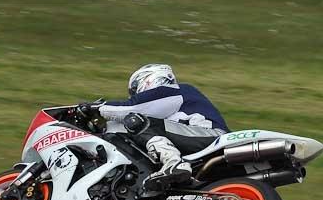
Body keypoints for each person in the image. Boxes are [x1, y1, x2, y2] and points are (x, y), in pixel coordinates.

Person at [98, 64, 229, 188]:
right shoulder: (172, 103)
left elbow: (131, 107)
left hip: (211, 136)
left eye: (135, 89)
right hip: (201, 140)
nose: (135, 94)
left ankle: (174, 163)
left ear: (148, 79)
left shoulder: (177, 90)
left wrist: (94, 107)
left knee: (137, 121)